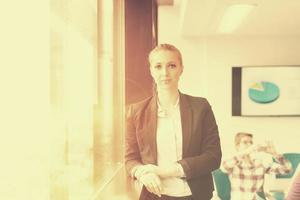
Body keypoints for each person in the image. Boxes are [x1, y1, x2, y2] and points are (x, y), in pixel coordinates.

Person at [125, 44, 222, 200]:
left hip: (195, 195)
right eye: (158, 66)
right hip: (154, 195)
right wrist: (143, 174)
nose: (165, 73)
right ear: (151, 70)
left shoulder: (201, 107)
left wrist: (164, 171)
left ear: (181, 69)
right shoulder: (136, 112)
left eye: (171, 65)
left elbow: (213, 157)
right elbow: (130, 159)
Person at [221, 132, 292, 200]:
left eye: (251, 142)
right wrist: (248, 151)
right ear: (237, 146)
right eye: (245, 142)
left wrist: (275, 154)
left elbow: (287, 169)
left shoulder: (260, 163)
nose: (249, 145)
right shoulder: (234, 164)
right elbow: (224, 165)